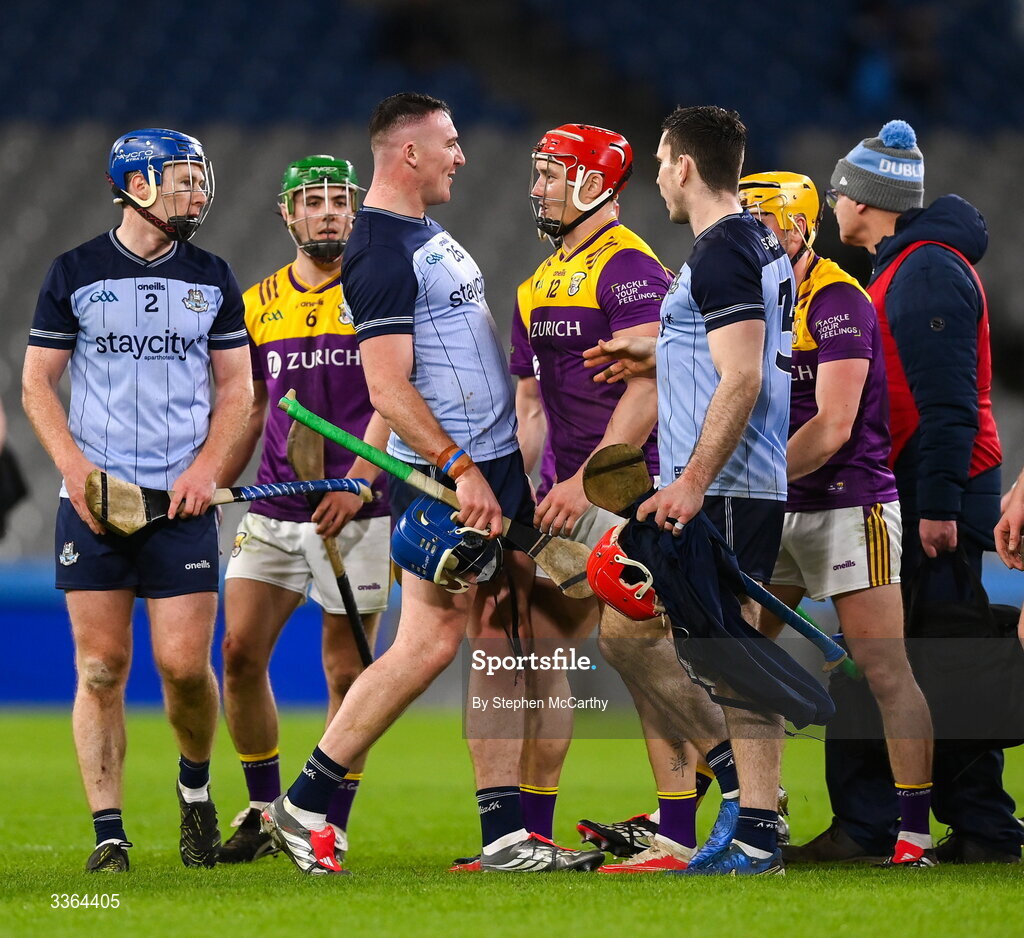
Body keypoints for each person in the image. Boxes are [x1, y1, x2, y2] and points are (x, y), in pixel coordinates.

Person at [259, 93, 602, 875]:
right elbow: (386, 389)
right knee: (431, 644)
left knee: (485, 644)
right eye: (448, 142)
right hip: (456, 478)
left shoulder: (423, 233)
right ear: (407, 154)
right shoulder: (379, 253)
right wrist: (459, 469)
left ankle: (495, 834)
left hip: (491, 466)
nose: (462, 155)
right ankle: (309, 801)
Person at [21, 129, 253, 872]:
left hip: (181, 507)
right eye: (182, 180)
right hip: (91, 505)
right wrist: (78, 471)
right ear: (138, 186)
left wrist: (206, 470)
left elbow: (236, 390)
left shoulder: (213, 276)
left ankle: (194, 793)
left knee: (184, 666)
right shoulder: (74, 270)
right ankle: (109, 835)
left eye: (196, 179)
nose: (196, 192)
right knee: (100, 669)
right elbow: (35, 384)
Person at [501, 123, 717, 874]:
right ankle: (527, 834)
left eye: (553, 174)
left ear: (594, 182)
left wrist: (581, 479)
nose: (538, 187)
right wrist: (522, 487)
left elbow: (650, 386)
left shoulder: (630, 267)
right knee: (538, 653)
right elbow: (530, 403)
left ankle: (684, 830)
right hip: (560, 496)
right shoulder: (535, 281)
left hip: (628, 491)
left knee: (643, 655)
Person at [584, 106, 795, 875]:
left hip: (726, 486)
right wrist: (660, 347)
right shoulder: (752, 241)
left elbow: (741, 375)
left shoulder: (721, 252)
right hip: (735, 482)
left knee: (730, 657)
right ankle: (752, 813)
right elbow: (732, 352)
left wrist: (693, 483)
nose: (658, 178)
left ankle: (757, 832)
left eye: (662, 162)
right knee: (680, 646)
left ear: (681, 165)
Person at [822, 119, 1020, 863]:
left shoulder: (924, 269)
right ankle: (966, 827)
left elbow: (946, 404)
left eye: (839, 191)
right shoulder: (906, 266)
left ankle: (965, 830)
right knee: (925, 662)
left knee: (928, 662)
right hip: (921, 486)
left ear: (864, 200)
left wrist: (935, 504)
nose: (832, 204)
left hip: (936, 493)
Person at [738, 172, 936, 867]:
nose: (754, 233)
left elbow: (833, 425)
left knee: (883, 669)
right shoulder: (754, 300)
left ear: (800, 228)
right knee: (736, 661)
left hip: (850, 504)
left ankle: (913, 834)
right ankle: (759, 814)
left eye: (766, 221)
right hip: (780, 508)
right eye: (746, 219)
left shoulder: (837, 299)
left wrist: (743, 482)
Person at [215, 156, 391, 864]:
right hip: (275, 509)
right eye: (311, 200)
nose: (327, 212)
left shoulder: (378, 291)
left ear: (355, 212)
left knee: (347, 674)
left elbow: (391, 395)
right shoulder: (257, 302)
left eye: (338, 200)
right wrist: (214, 480)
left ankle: (325, 821)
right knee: (237, 654)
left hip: (358, 512)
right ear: (286, 214)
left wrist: (356, 482)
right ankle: (264, 810)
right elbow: (250, 408)